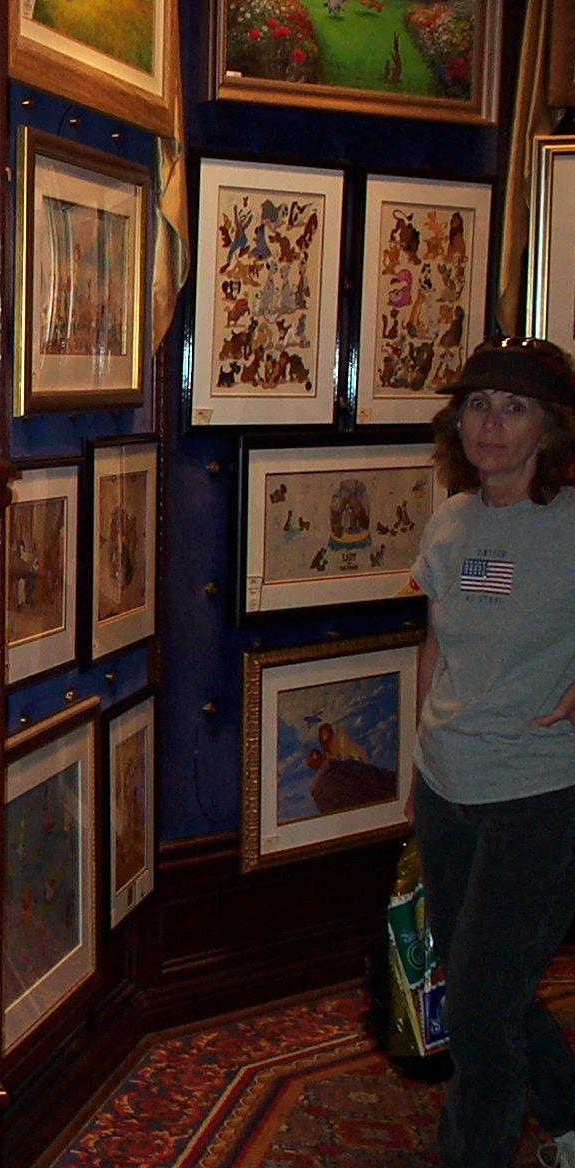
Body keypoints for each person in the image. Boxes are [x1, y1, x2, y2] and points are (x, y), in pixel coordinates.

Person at [408, 336, 575, 1168]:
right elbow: (436, 644)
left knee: (478, 1003)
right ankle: (570, 1114)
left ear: (551, 428)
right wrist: (418, 765)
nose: (492, 423)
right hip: (448, 786)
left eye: (515, 407)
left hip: (537, 797)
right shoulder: (451, 520)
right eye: (478, 404)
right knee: (485, 985)